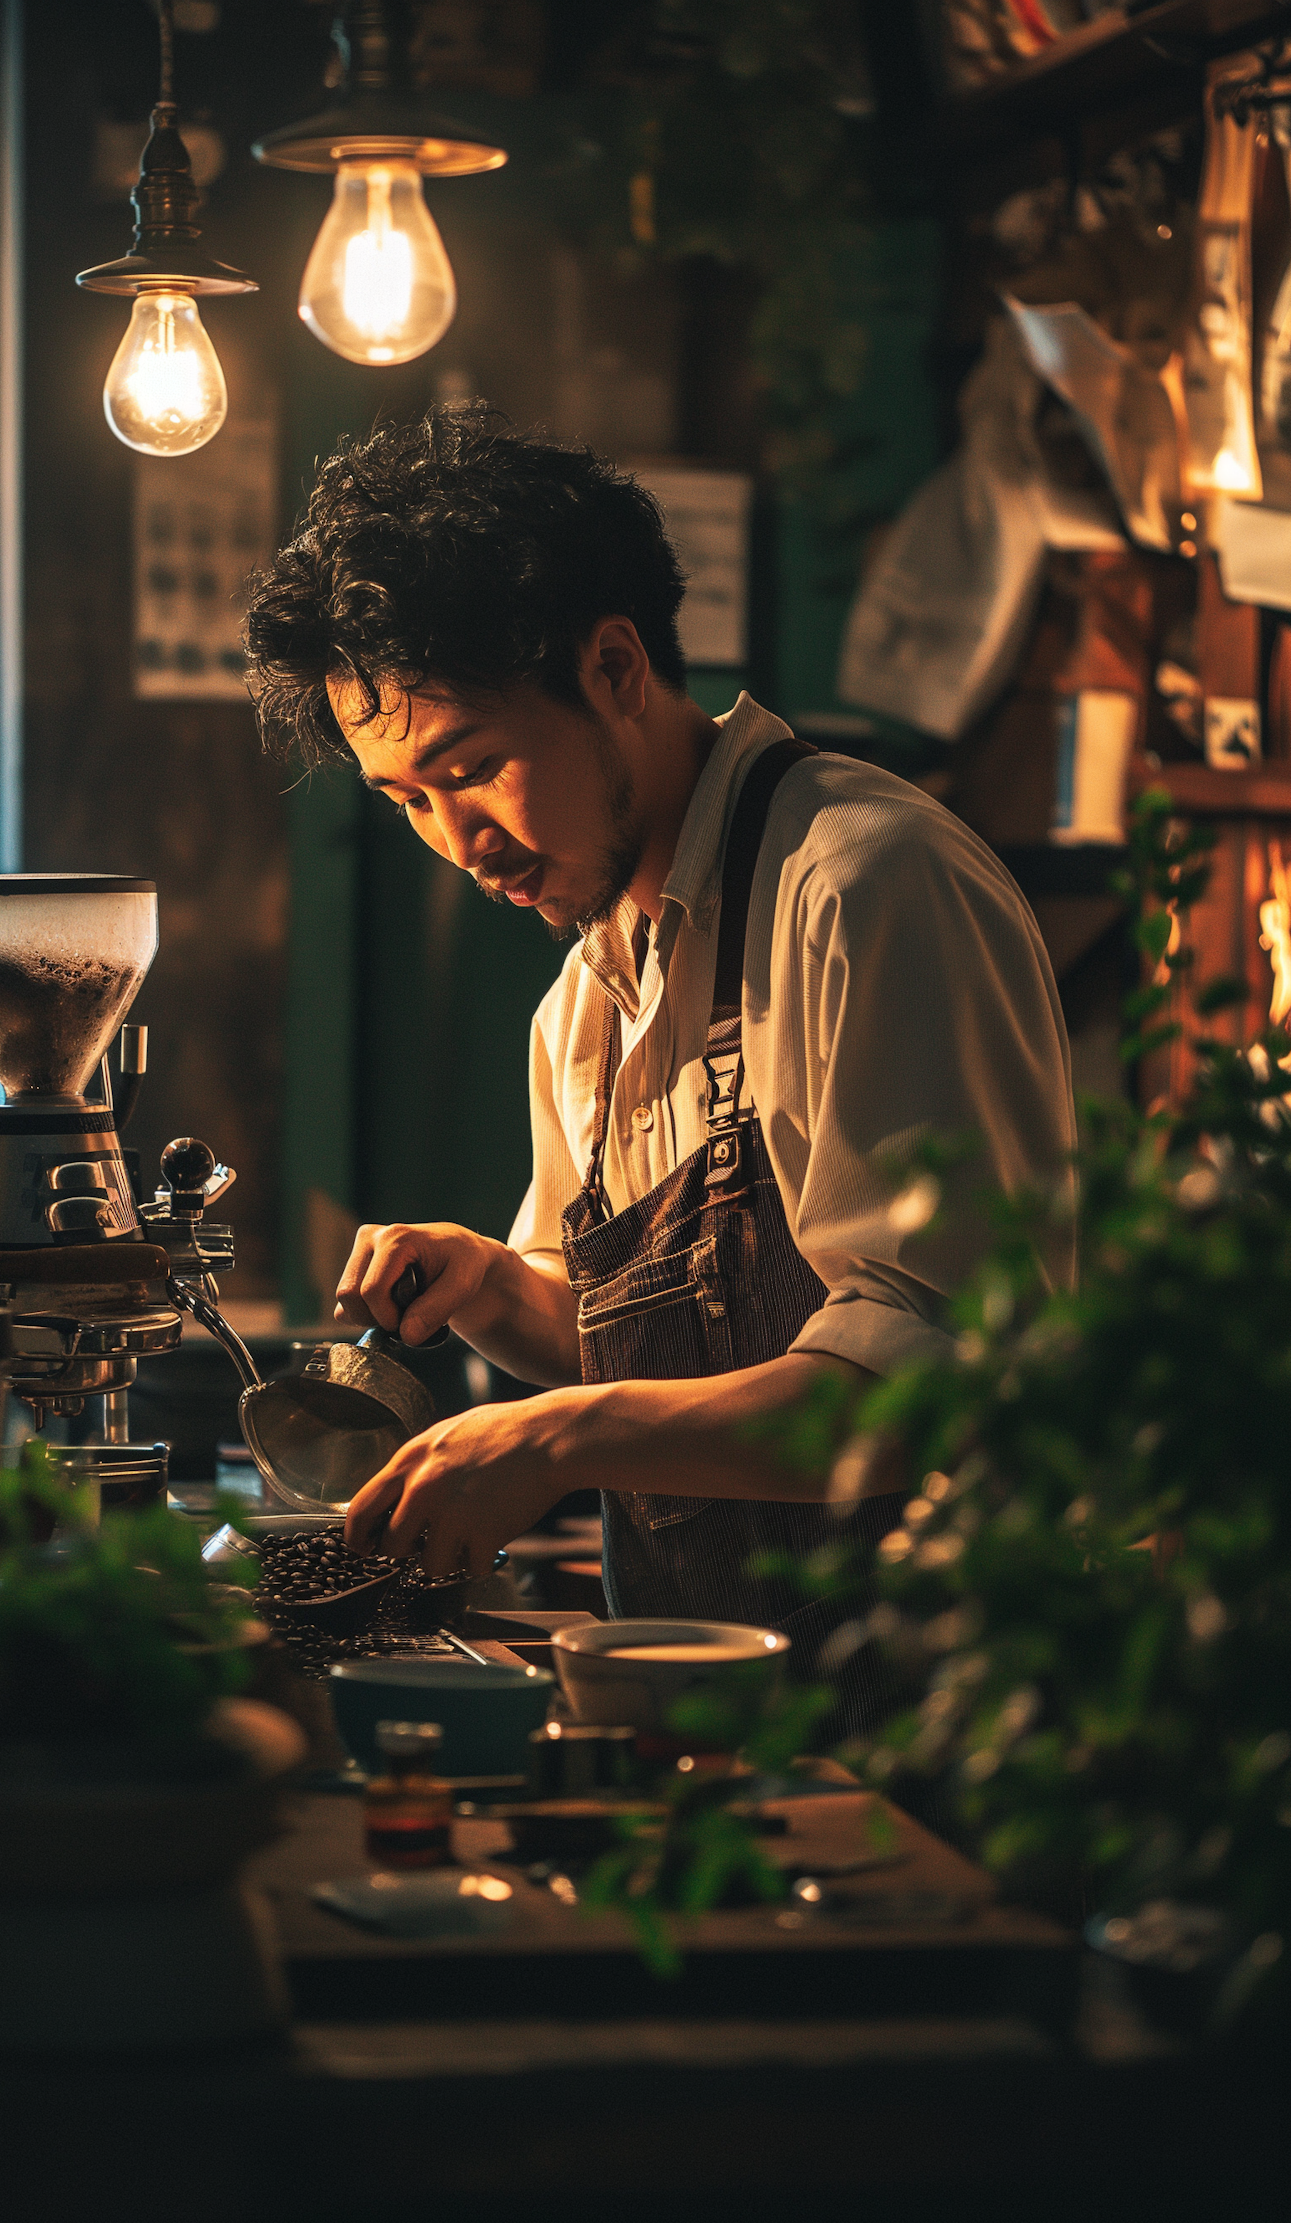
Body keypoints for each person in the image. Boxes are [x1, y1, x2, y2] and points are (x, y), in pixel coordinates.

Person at [245, 405, 1075, 1730]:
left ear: (617, 667)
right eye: (409, 799)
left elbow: (939, 1385)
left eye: (475, 768)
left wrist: (555, 1435)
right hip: (702, 1725)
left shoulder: (860, 885)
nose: (460, 841)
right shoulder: (584, 999)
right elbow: (643, 1343)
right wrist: (491, 1287)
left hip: (935, 1735)